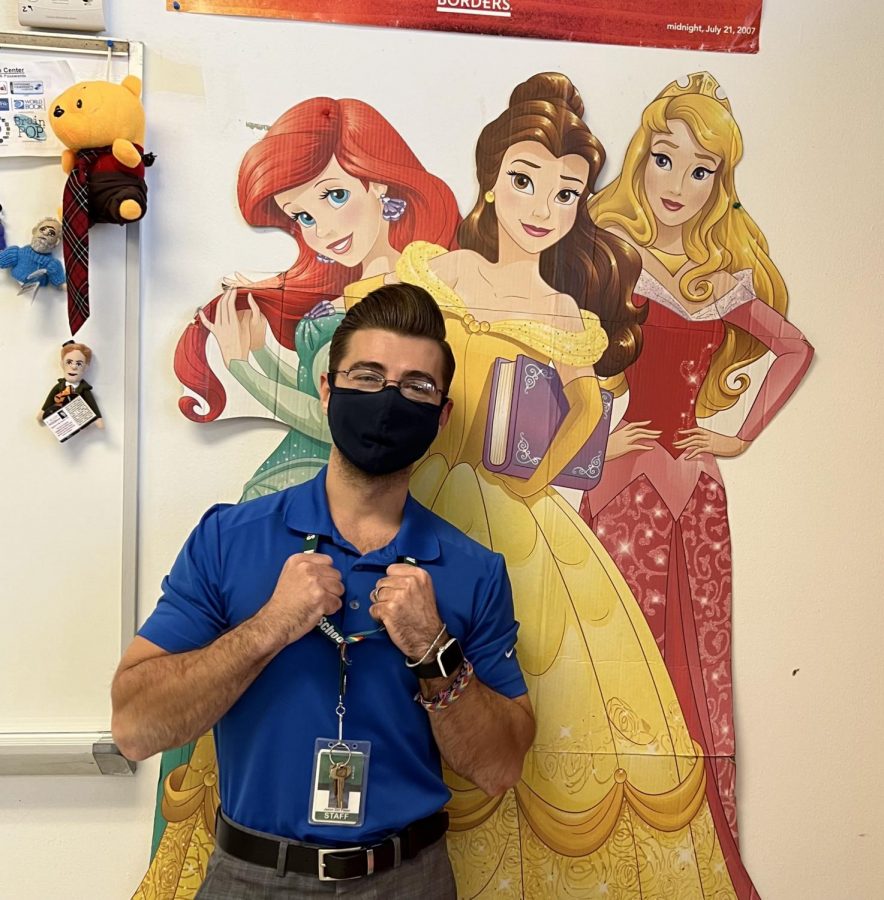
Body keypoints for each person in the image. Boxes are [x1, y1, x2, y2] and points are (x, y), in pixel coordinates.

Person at [398, 72, 741, 897]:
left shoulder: (564, 311)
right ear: (491, 179)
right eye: (524, 179)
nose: (541, 205)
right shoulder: (437, 271)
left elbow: (588, 407)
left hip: (520, 523)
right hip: (417, 501)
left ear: (584, 203)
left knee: (531, 700)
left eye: (566, 191)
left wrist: (531, 485)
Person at [114, 283, 534, 899]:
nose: (389, 401)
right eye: (367, 376)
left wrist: (435, 650)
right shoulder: (229, 539)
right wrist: (270, 626)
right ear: (326, 388)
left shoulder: (474, 569)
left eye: (417, 386)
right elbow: (135, 727)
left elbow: (501, 766)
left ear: (441, 415)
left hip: (408, 880)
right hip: (251, 877)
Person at [581, 72, 813, 899]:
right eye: (666, 161)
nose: (678, 185)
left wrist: (739, 433)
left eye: (701, 170)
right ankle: (608, 862)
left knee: (698, 675)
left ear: (720, 182)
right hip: (616, 496)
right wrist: (597, 446)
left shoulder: (724, 280)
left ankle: (695, 862)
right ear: (642, 160)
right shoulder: (604, 259)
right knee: (617, 667)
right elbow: (547, 368)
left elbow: (795, 350)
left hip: (696, 497)